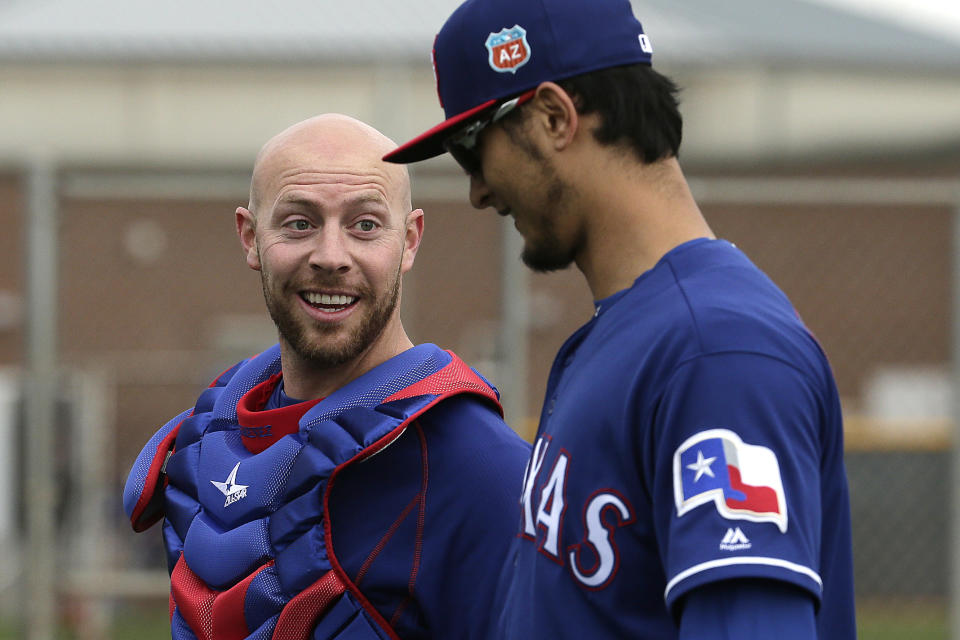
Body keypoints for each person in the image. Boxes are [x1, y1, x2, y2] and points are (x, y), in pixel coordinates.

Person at [384, 0, 856, 638]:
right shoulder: (628, 332)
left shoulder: (716, 351)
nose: (478, 191)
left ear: (555, 117)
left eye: (474, 148)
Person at [123, 114, 531, 640]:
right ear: (250, 238)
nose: (331, 257)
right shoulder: (207, 442)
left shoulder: (480, 469)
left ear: (409, 241)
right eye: (300, 223)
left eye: (365, 225)